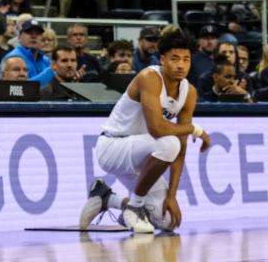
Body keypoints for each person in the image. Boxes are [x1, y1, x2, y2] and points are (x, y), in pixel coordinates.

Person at [80, 28, 211, 234]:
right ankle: (134, 207)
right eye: (174, 59)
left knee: (167, 221)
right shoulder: (149, 77)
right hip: (114, 147)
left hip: (144, 155)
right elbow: (157, 129)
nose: (180, 65)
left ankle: (107, 198)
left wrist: (172, 196)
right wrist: (194, 129)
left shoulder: (190, 92)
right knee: (169, 142)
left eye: (186, 60)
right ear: (162, 59)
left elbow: (182, 146)